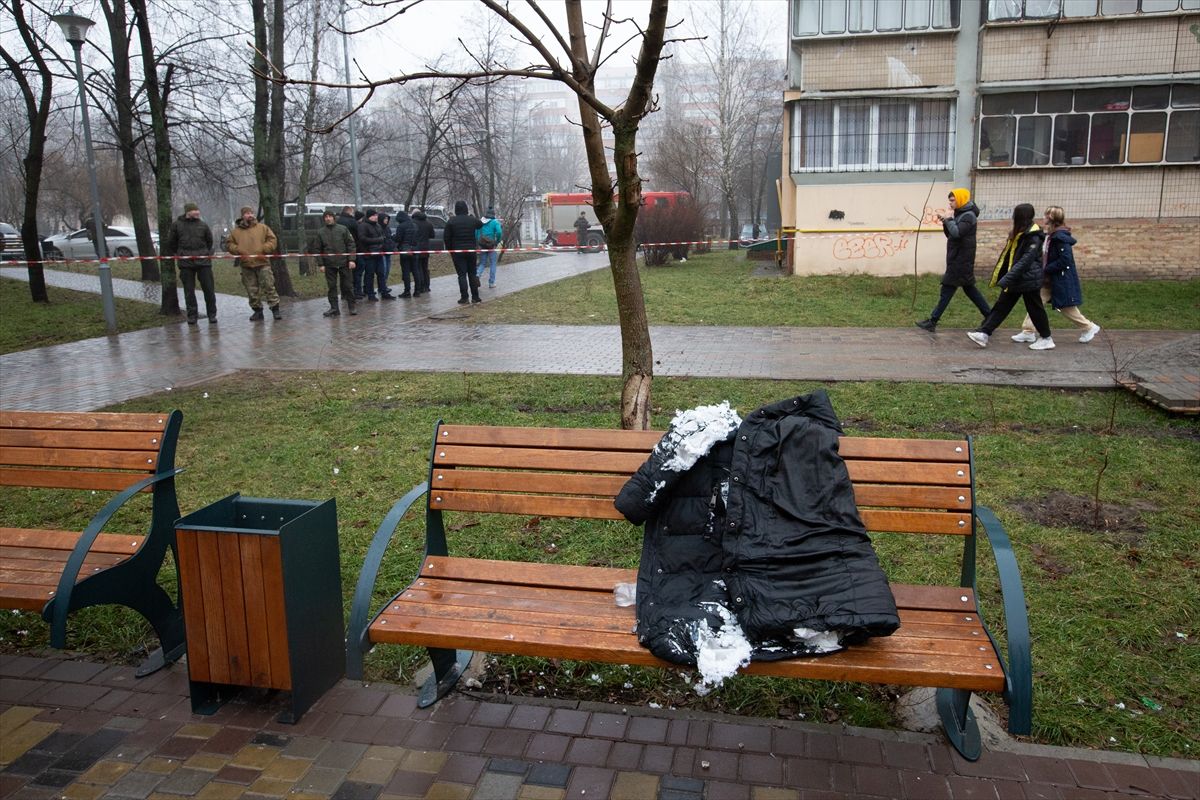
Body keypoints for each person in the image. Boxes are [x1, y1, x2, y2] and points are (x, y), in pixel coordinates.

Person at [967, 203, 1054, 350]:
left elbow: (1025, 261)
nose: (1013, 217)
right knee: (1002, 306)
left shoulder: (1034, 236)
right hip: (1017, 279)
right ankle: (984, 333)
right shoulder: (1020, 233)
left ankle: (1046, 338)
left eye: (1015, 214)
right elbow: (1010, 256)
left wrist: (1007, 278)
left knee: (1035, 308)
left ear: (1021, 216)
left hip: (1028, 279)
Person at [1012, 206, 1101, 344]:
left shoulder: (1060, 237)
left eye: (1046, 215)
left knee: (1065, 307)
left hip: (1058, 279)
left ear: (1052, 218)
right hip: (1049, 279)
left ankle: (1089, 327)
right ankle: (1028, 331)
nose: (1043, 217)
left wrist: (1046, 268)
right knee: (1036, 303)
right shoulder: (1051, 235)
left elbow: (1065, 260)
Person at [916, 188, 991, 332]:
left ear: (961, 199)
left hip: (961, 260)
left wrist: (949, 219)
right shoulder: (960, 214)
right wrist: (945, 221)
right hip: (957, 258)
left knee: (947, 289)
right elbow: (950, 234)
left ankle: (933, 321)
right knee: (969, 289)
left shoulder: (968, 216)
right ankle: (990, 315)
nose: (950, 203)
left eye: (953, 200)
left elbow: (957, 233)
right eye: (949, 200)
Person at [225, 206, 281, 321]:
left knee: (269, 286)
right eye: (247, 213)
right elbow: (229, 244)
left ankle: (275, 310)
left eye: (251, 213)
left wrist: (265, 248)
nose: (250, 215)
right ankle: (257, 312)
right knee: (252, 290)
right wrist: (238, 249)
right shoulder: (236, 232)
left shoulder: (263, 228)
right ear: (242, 216)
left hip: (263, 263)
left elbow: (272, 240)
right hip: (247, 265)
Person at [166, 201, 217, 325]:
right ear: (188, 212)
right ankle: (192, 315)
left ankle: (212, 314)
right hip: (186, 263)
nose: (197, 212)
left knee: (209, 290)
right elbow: (172, 242)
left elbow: (209, 241)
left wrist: (205, 253)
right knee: (189, 291)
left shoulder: (203, 225)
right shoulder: (177, 225)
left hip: (204, 262)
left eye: (198, 210)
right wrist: (180, 253)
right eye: (195, 210)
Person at [310, 210, 357, 317]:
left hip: (344, 263)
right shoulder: (320, 232)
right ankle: (334, 308)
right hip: (329, 264)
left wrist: (351, 260)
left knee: (348, 286)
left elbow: (351, 245)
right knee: (332, 287)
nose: (328, 218)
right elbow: (317, 249)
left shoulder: (343, 229)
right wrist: (321, 264)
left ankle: (352, 307)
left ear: (334, 218)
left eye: (330, 216)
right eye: (326, 217)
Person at [443, 200, 484, 304]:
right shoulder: (471, 220)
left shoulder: (451, 221)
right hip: (471, 251)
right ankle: (475, 297)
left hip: (457, 252)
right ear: (466, 208)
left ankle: (464, 297)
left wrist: (450, 250)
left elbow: (446, 237)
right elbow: (480, 224)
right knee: (472, 274)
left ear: (456, 209)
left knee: (461, 275)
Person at [356, 209, 393, 301]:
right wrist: (377, 240)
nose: (376, 217)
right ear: (369, 216)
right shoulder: (363, 226)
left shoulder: (378, 226)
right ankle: (370, 294)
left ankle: (384, 292)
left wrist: (382, 243)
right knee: (369, 275)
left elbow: (382, 237)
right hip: (369, 255)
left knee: (381, 274)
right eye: (374, 215)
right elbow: (362, 239)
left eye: (376, 215)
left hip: (379, 253)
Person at [336, 205, 364, 299]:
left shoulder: (338, 221)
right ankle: (355, 292)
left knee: (343, 274)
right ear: (349, 212)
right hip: (353, 250)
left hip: (341, 251)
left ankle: (344, 294)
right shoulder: (352, 222)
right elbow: (358, 236)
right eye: (352, 212)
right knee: (355, 272)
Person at [475, 206, 503, 289]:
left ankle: (477, 274)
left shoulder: (480, 221)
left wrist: (479, 242)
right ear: (493, 215)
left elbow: (476, 232)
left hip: (483, 245)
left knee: (482, 263)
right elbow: (499, 232)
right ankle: (491, 283)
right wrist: (497, 241)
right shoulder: (495, 222)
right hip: (491, 246)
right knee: (493, 264)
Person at [393, 209, 418, 297]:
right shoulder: (415, 225)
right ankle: (417, 291)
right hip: (414, 249)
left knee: (406, 271)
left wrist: (394, 238)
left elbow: (398, 239)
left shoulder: (401, 226)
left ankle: (407, 292)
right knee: (415, 270)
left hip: (404, 250)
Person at [410, 209, 435, 296]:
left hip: (416, 248)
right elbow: (432, 235)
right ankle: (427, 286)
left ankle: (420, 287)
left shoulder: (413, 223)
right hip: (426, 248)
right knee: (425, 267)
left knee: (418, 268)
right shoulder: (428, 223)